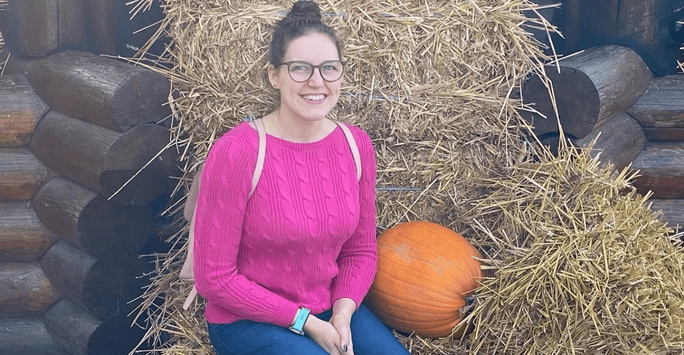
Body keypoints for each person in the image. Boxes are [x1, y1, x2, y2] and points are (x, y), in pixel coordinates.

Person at [192, 1, 412, 354]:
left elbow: (360, 250)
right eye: (299, 69)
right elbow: (213, 278)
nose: (316, 82)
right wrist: (304, 321)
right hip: (248, 320)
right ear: (273, 75)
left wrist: (343, 311)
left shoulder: (356, 145)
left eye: (329, 68)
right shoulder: (238, 151)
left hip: (329, 307)